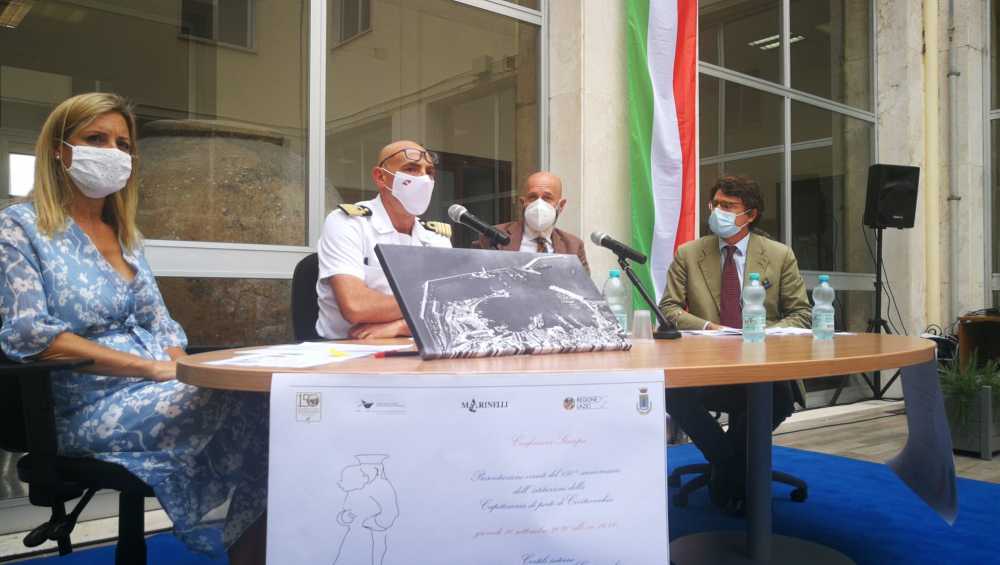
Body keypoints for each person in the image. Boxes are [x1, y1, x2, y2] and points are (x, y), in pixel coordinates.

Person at [0, 93, 266, 564]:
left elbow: (160, 322)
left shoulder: (126, 235)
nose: (113, 152)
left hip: (155, 387)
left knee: (268, 403)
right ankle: (250, 551)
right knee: (255, 411)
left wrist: (183, 367)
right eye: (96, 139)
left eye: (123, 144)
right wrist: (149, 370)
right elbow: (31, 336)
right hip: (82, 404)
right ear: (60, 150)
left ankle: (255, 550)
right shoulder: (18, 229)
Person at [658, 175, 811, 514]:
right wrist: (712, 328)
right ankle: (732, 467)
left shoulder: (778, 255)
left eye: (729, 207)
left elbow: (801, 314)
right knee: (670, 391)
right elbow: (668, 309)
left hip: (763, 367)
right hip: (706, 367)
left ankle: (725, 468)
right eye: (715, 205)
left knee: (773, 398)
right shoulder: (689, 253)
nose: (718, 212)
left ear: (751, 215)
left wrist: (758, 334)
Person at [316, 140, 452, 340]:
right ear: (380, 177)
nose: (423, 178)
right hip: (349, 351)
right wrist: (429, 306)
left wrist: (402, 326)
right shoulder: (349, 223)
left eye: (429, 171)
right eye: (411, 169)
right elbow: (356, 306)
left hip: (416, 347)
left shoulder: (436, 237)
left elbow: (454, 311)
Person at [473, 171, 589, 272]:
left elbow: (584, 290)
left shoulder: (573, 246)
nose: (539, 204)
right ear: (523, 203)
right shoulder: (493, 236)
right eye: (532, 197)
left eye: (547, 198)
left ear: (561, 205)